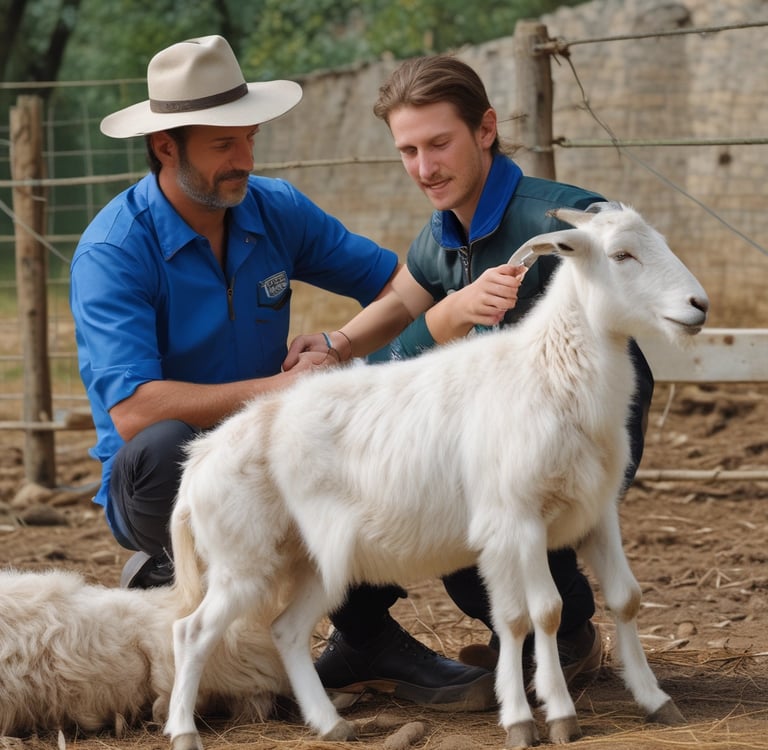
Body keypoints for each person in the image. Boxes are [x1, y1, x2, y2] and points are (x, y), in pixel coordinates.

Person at [70, 36, 496, 711]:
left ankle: (362, 638)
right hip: (161, 477)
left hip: (278, 450)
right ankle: (172, 566)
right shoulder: (114, 250)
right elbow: (136, 411)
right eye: (222, 146)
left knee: (387, 445)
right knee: (158, 451)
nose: (244, 159)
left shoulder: (274, 208)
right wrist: (288, 390)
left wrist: (340, 346)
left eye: (248, 138)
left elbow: (399, 281)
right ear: (166, 148)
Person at [289, 54, 655, 694]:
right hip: (505, 442)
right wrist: (337, 342)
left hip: (580, 443)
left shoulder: (563, 220)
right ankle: (510, 634)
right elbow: (404, 299)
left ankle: (567, 639)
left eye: (439, 143)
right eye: (408, 150)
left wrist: (440, 324)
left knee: (464, 515)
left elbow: (636, 278)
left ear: (485, 129)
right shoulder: (444, 228)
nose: (425, 169)